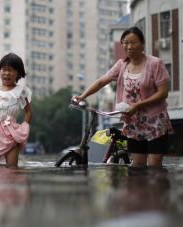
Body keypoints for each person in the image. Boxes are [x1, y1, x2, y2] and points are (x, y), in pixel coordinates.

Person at [71, 27, 173, 167]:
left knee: (154, 168)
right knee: (137, 167)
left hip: (155, 122)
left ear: (142, 43)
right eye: (125, 43)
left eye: (133, 42)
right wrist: (82, 96)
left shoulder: (155, 64)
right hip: (133, 123)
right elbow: (101, 81)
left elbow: (163, 93)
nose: (129, 46)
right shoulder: (122, 64)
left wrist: (137, 106)